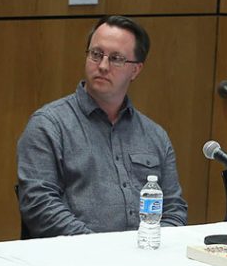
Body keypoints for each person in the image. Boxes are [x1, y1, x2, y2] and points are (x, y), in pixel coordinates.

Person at [17, 15, 187, 238]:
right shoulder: (49, 125)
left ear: (135, 70)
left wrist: (151, 247)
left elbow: (174, 211)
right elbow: (39, 205)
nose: (103, 66)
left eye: (116, 58)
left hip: (146, 260)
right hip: (74, 260)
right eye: (96, 55)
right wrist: (99, 249)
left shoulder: (154, 135)